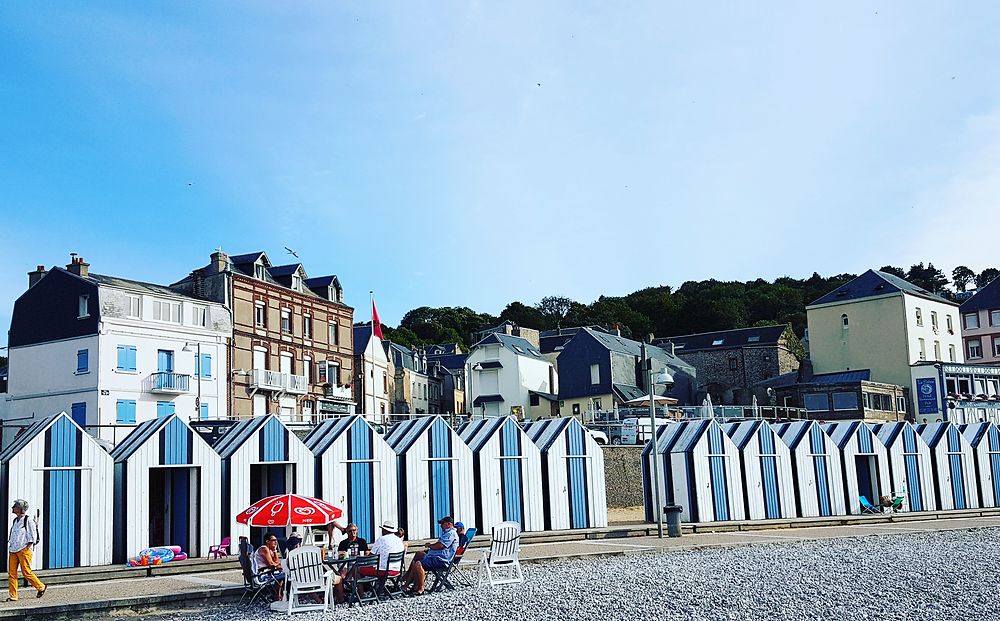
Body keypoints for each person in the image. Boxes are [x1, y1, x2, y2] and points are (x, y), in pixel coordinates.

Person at [401, 516, 458, 595]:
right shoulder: (447, 533)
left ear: (448, 524)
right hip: (436, 557)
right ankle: (408, 580)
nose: (441, 526)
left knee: (418, 564)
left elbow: (441, 545)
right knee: (418, 554)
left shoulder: (451, 533)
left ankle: (420, 589)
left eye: (442, 523)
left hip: (441, 560)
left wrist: (430, 546)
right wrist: (429, 550)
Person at [6, 500, 45, 602]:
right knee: (12, 573)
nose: (13, 508)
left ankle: (41, 587)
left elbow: (33, 535)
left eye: (15, 506)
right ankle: (13, 596)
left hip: (24, 550)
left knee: (26, 572)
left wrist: (27, 547)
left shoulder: (28, 521)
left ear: (20, 509)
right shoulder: (15, 520)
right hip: (13, 550)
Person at [255, 532, 285, 600]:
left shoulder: (270, 550)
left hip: (267, 572)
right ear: (267, 541)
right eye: (273, 540)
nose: (276, 542)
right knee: (283, 575)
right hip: (261, 574)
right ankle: (278, 596)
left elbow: (276, 562)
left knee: (281, 574)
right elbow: (271, 565)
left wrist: (274, 551)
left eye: (276, 540)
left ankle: (278, 595)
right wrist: (280, 566)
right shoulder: (264, 549)